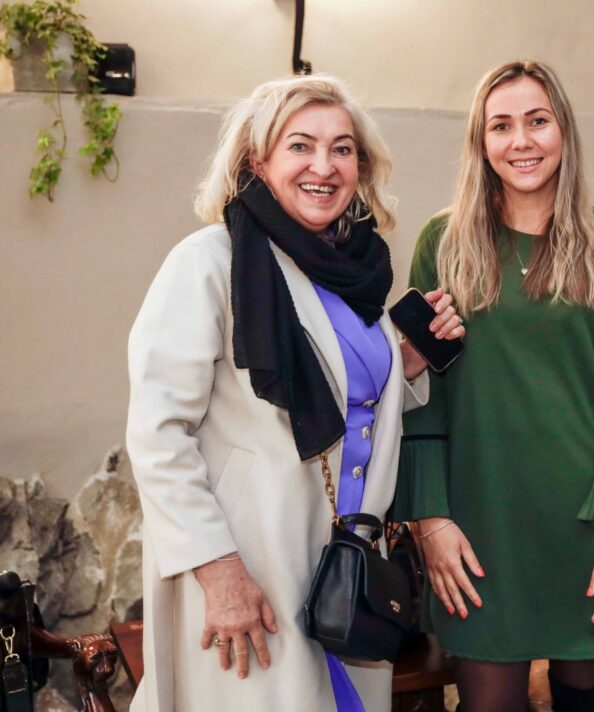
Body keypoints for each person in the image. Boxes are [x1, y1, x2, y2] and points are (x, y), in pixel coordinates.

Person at [125, 75, 464, 712]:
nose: (323, 166)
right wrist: (218, 570)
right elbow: (158, 434)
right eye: (300, 145)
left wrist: (406, 365)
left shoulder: (353, 270)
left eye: (342, 149)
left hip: (346, 569)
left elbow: (345, 398)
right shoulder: (209, 262)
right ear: (258, 161)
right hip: (254, 565)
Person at [393, 60, 594, 712]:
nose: (521, 141)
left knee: (587, 702)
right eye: (502, 125)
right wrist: (431, 520)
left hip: (592, 522)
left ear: (563, 130)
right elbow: (421, 399)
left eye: (537, 121)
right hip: (478, 527)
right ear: (481, 140)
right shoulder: (443, 242)